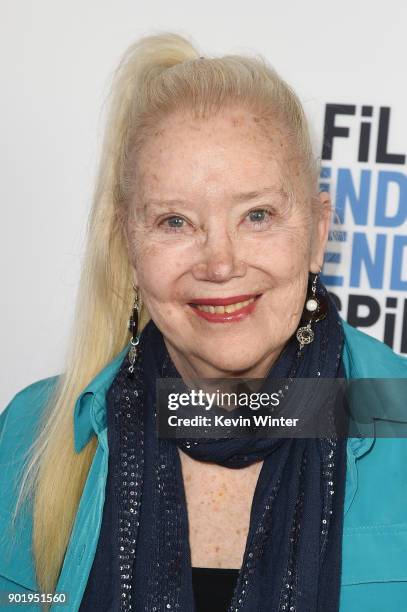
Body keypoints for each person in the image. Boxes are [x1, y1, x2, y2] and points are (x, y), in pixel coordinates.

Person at [1, 32, 406, 612]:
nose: (220, 263)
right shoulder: (28, 437)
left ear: (318, 234)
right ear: (129, 248)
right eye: (174, 222)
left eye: (257, 214)